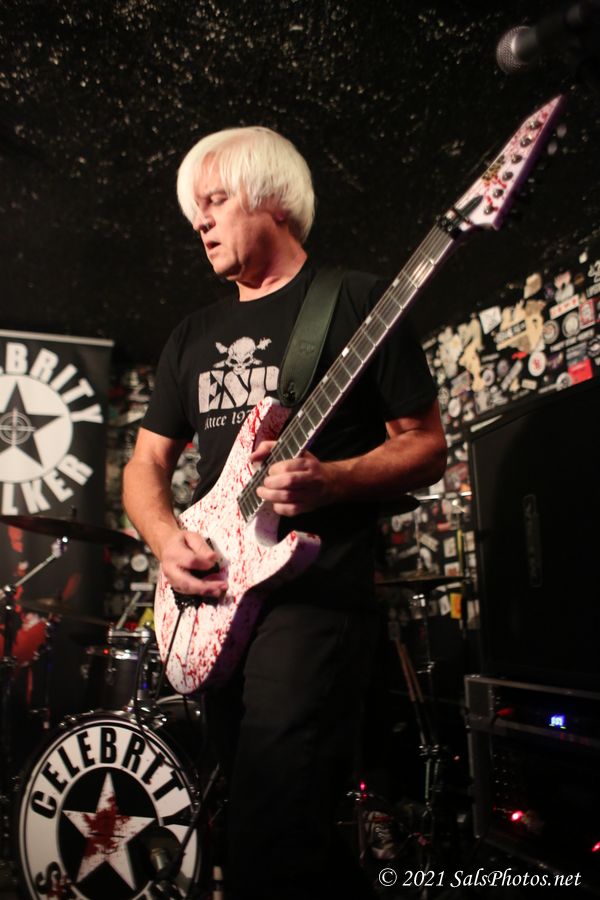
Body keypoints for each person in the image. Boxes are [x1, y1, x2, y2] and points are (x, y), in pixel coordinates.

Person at [123, 125, 447, 900]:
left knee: (271, 821)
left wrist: (330, 480)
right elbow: (145, 467)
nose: (200, 222)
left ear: (270, 197)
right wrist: (167, 539)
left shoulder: (358, 301)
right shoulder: (192, 336)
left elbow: (426, 445)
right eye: (194, 210)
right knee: (259, 827)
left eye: (215, 200)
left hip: (315, 597)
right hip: (215, 602)